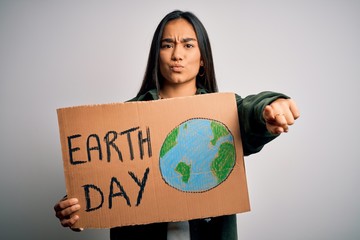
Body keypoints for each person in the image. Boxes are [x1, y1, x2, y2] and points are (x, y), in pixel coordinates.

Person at [54, 10, 300, 240]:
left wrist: (270, 107)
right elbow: (103, 182)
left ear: (202, 58)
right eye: (167, 45)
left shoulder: (221, 112)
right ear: (156, 55)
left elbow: (250, 112)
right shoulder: (125, 117)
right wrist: (79, 208)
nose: (177, 55)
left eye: (188, 45)